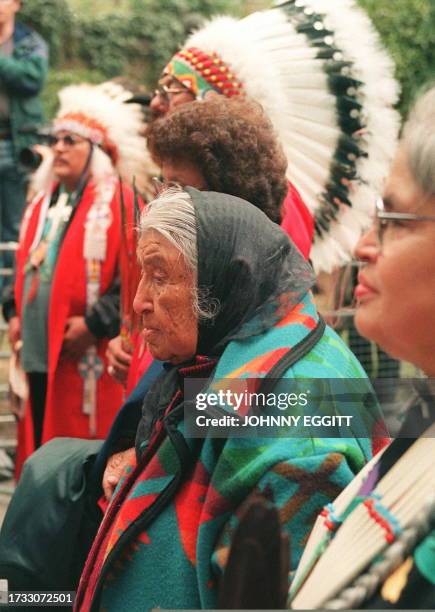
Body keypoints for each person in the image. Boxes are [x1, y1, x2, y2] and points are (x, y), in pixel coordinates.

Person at [75, 186, 380, 611]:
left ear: (222, 280)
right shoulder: (246, 354)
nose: (139, 301)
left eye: (160, 276)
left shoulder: (299, 442)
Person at [289, 86, 435, 609]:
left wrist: (186, 416)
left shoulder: (300, 358)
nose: (139, 301)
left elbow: (280, 421)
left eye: (163, 273)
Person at [5, 81, 148, 474]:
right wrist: (12, 312)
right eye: (56, 140)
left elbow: (135, 279)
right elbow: (22, 266)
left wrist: (93, 322)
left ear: (97, 152)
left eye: (72, 140)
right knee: (35, 442)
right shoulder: (41, 204)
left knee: (71, 456)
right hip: (36, 350)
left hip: (82, 355)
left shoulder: (120, 201)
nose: (60, 148)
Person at [107, 96, 289, 389]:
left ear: (225, 200)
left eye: (178, 188)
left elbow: (208, 425)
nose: (160, 200)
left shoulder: (273, 354)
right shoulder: (219, 301)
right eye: (161, 184)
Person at [0, 0, 48, 292]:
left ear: (17, 4)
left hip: (16, 144)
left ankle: (11, 298)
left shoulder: (29, 42)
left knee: (16, 224)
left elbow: (33, 79)